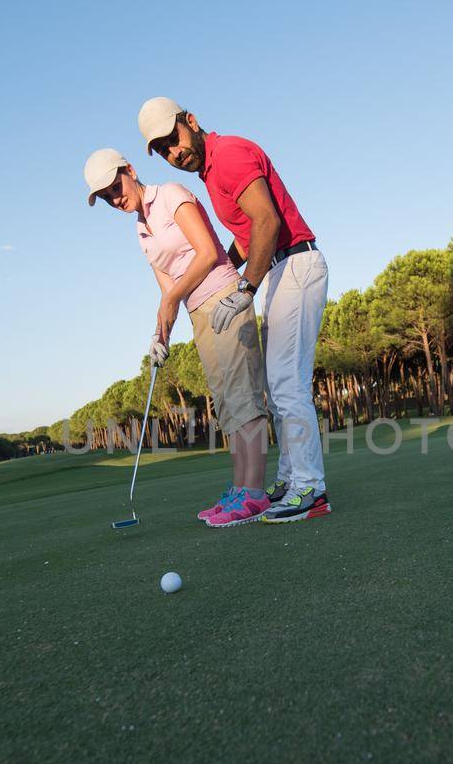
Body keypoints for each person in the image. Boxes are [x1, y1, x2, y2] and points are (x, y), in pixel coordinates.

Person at [137, 99, 331, 523]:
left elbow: (267, 221)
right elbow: (248, 236)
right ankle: (291, 482)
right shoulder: (211, 172)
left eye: (175, 139)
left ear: (192, 121)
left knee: (286, 386)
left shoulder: (227, 155)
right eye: (164, 150)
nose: (174, 152)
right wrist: (230, 266)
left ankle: (311, 490)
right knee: (279, 388)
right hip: (280, 268)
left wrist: (245, 287)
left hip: (294, 263)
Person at [84, 148, 271, 527]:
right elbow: (167, 289)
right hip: (198, 312)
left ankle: (255, 494)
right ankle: (239, 489)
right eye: (106, 198)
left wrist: (171, 299)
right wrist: (160, 334)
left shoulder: (170, 194)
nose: (115, 199)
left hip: (224, 298)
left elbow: (206, 252)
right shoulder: (141, 230)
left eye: (115, 187)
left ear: (130, 170)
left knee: (243, 397)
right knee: (225, 404)